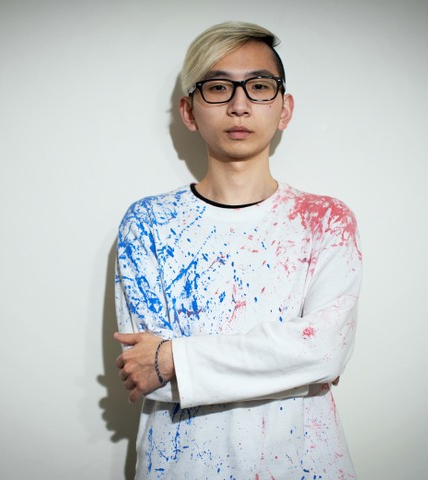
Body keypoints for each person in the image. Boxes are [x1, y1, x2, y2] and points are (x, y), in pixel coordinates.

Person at [114, 21, 362, 479]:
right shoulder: (148, 223)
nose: (240, 104)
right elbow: (148, 374)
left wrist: (176, 358)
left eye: (259, 86)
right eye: (218, 87)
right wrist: (294, 364)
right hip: (181, 467)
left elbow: (325, 350)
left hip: (305, 466)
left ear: (285, 109)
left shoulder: (325, 219)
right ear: (189, 111)